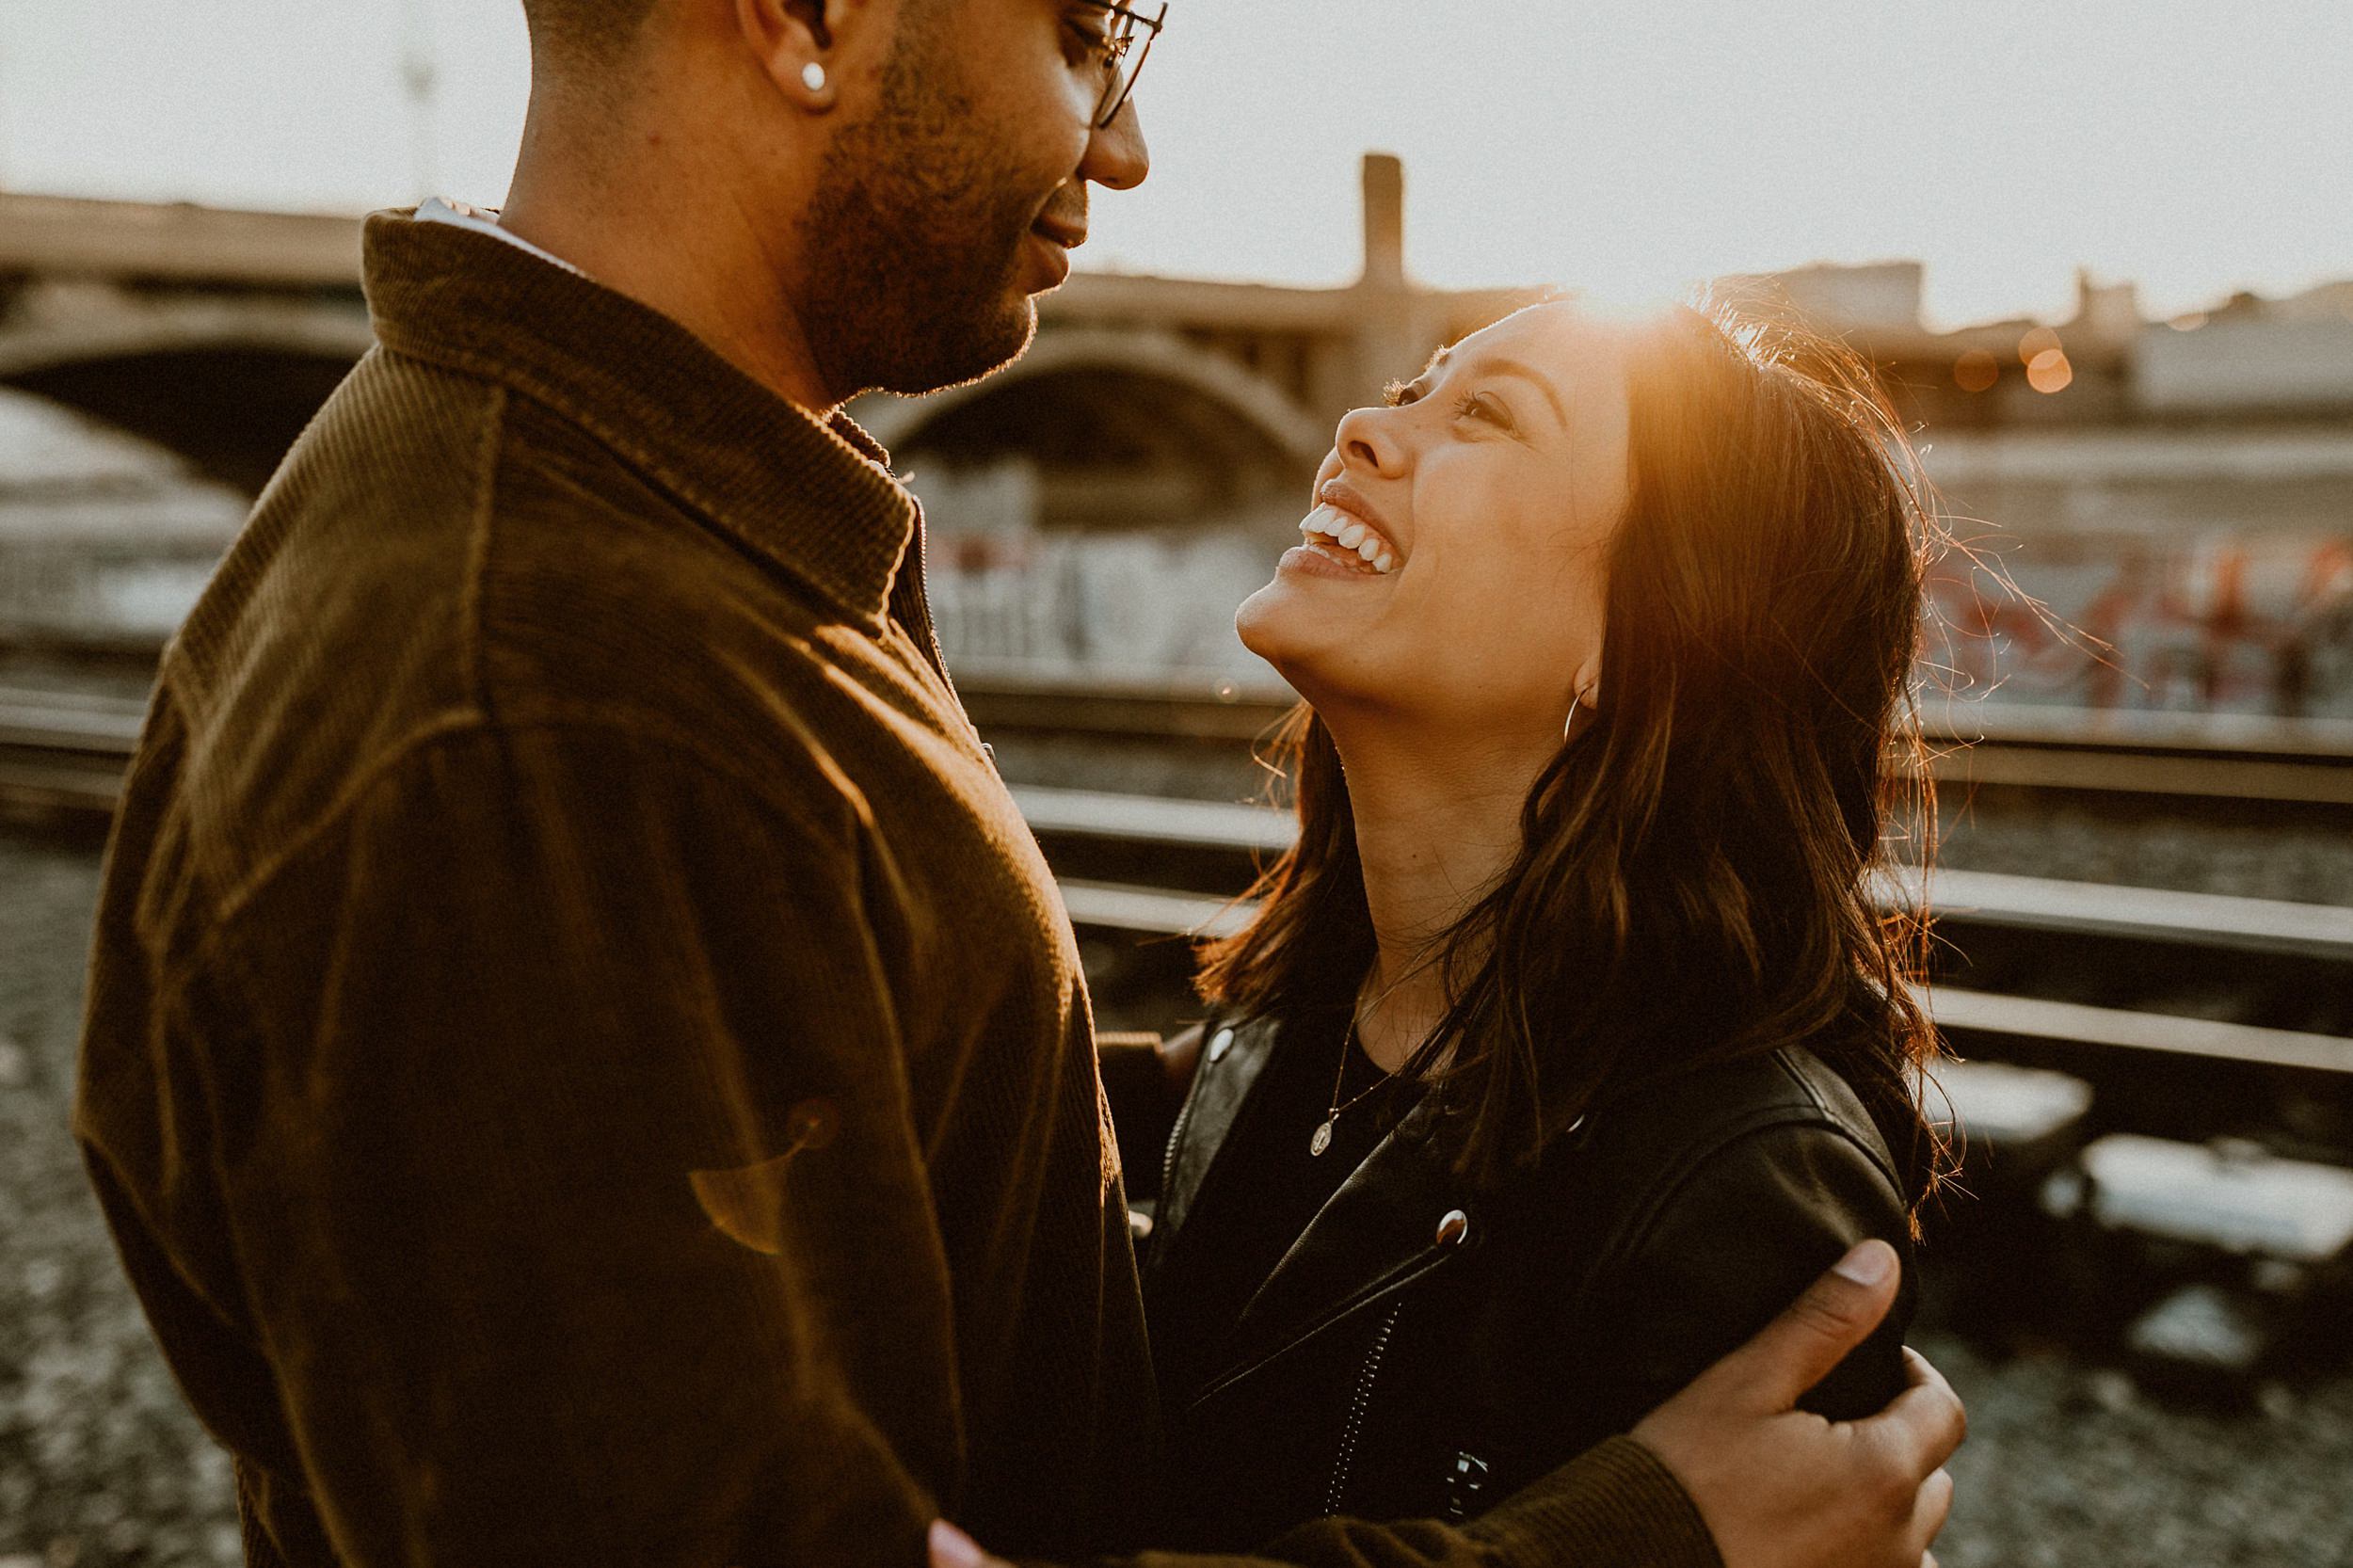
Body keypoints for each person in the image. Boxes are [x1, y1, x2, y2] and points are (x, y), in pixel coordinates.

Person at [69, 0, 1961, 1564]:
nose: (1118, 147)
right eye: (1077, 33)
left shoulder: (670, 565)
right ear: (803, 19)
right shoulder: (542, 716)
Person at [1114, 296, 1948, 1548]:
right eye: (1414, 389)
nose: (1363, 425)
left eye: (1489, 416)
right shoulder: (1277, 1037)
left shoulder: (1739, 1189)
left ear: (1643, 633)